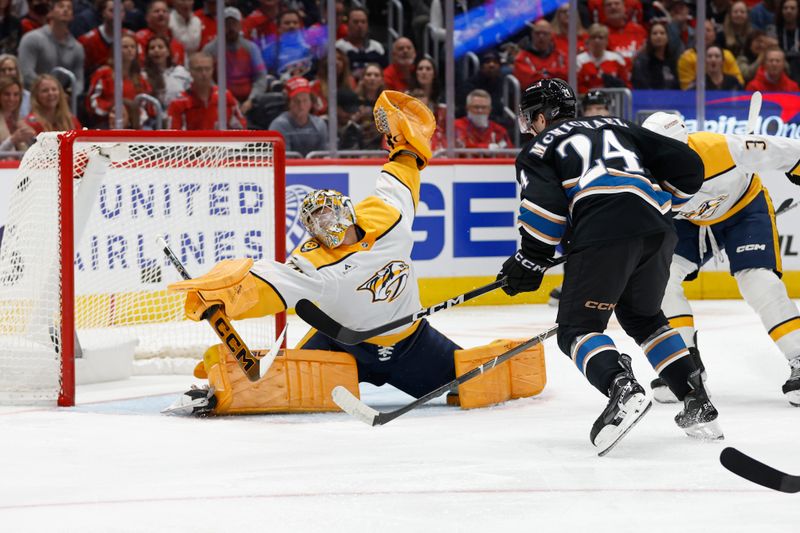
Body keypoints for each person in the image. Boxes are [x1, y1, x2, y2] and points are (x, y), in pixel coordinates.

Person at [164, 90, 546, 416]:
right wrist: (223, 296)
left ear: (346, 207)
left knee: (472, 388)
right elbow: (267, 283)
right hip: (342, 345)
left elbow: (403, 170)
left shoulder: (387, 215)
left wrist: (407, 146)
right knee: (278, 386)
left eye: (330, 211)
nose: (326, 222)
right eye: (316, 220)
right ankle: (222, 387)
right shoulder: (313, 263)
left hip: (414, 344)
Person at [497, 78, 714, 455]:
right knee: (645, 318)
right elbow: (689, 165)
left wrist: (530, 258)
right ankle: (696, 398)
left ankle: (621, 386)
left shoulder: (539, 147)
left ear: (544, 117)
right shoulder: (621, 126)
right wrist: (663, 203)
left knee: (577, 328)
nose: (529, 127)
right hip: (658, 230)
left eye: (531, 119)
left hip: (604, 228)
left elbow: (545, 205)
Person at [642, 112, 800, 407]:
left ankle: (799, 356)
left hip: (744, 208)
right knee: (660, 280)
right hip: (689, 222)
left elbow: (785, 150)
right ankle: (684, 366)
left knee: (758, 281)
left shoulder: (721, 148)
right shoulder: (641, 170)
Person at [202, 7, 267, 113]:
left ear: (240, 25)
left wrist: (251, 99)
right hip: (221, 102)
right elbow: (207, 79)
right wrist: (225, 98)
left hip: (250, 102)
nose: (231, 27)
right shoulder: (210, 49)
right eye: (227, 24)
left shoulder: (251, 48)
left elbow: (260, 76)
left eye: (234, 23)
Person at [18, 0, 85, 96]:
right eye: (61, 6)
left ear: (72, 16)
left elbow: (78, 81)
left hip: (61, 101)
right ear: (50, 13)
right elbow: (26, 74)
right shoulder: (32, 38)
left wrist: (69, 94)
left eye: (69, 8)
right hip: (32, 98)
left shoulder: (78, 48)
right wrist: (49, 91)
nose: (65, 9)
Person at [86, 33, 152, 128]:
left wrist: (134, 118)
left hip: (134, 124)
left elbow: (144, 105)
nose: (130, 50)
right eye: (125, 47)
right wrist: (111, 108)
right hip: (106, 123)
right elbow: (92, 101)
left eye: (133, 47)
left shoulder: (140, 77)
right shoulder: (104, 73)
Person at [166, 52, 243, 130]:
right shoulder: (178, 103)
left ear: (213, 70)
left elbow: (241, 126)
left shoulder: (225, 96)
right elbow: (172, 137)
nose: (204, 73)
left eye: (207, 69)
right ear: (190, 72)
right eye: (198, 69)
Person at [268, 76, 327, 156]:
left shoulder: (320, 124)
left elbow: (326, 155)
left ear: (311, 102)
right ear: (288, 103)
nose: (301, 106)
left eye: (305, 100)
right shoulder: (278, 126)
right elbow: (282, 159)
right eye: (296, 101)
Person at [678, 20, 745, 89]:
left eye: (708, 30)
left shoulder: (727, 55)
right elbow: (686, 89)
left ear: (714, 34)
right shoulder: (686, 57)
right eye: (701, 30)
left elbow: (739, 82)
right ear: (695, 34)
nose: (704, 33)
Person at [512, 20, 567, 90]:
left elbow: (566, 77)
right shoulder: (521, 58)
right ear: (532, 34)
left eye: (545, 33)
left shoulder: (560, 56)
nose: (541, 36)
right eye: (537, 33)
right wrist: (553, 73)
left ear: (551, 35)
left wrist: (541, 74)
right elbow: (527, 82)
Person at [335, 6, 387, 80]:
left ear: (367, 25)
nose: (360, 25)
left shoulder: (377, 47)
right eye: (355, 22)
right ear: (347, 24)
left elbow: (384, 74)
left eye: (363, 22)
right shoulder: (338, 47)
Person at [576, 23, 630, 93]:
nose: (597, 40)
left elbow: (626, 85)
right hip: (587, 100)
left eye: (600, 37)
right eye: (593, 37)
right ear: (588, 40)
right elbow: (576, 86)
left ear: (607, 41)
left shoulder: (616, 59)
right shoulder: (579, 60)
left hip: (613, 101)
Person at [143, 35, 191, 108]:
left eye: (160, 47)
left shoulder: (181, 71)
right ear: (148, 54)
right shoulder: (144, 75)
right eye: (152, 48)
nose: (156, 50)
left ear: (168, 52)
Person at [135, 0, 185, 67]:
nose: (161, 14)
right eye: (156, 11)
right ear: (147, 17)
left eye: (164, 11)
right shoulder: (139, 38)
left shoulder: (177, 45)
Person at [632, 21, 681, 89]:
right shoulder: (642, 62)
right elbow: (641, 86)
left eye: (662, 33)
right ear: (649, 38)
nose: (658, 36)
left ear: (667, 38)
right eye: (655, 33)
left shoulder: (673, 61)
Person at [0, 76, 35, 152]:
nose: (11, 99)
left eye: (16, 94)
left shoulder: (20, 121)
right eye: (7, 94)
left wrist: (33, 139)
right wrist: (12, 140)